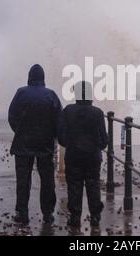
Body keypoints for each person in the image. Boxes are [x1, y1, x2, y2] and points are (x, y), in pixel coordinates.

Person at [8, 64, 62, 225]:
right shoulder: (51, 95)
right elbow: (59, 121)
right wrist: (54, 137)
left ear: (29, 77)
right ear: (43, 78)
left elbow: (12, 116)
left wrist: (20, 131)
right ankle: (47, 214)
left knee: (23, 181)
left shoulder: (21, 93)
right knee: (47, 181)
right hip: (45, 146)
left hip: (22, 144)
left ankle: (23, 214)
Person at [58, 81, 108, 231]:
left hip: (73, 155)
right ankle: (95, 216)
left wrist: (71, 144)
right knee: (93, 185)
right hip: (92, 156)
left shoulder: (68, 111)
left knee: (74, 185)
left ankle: (75, 217)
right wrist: (98, 145)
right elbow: (104, 140)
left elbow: (61, 137)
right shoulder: (98, 113)